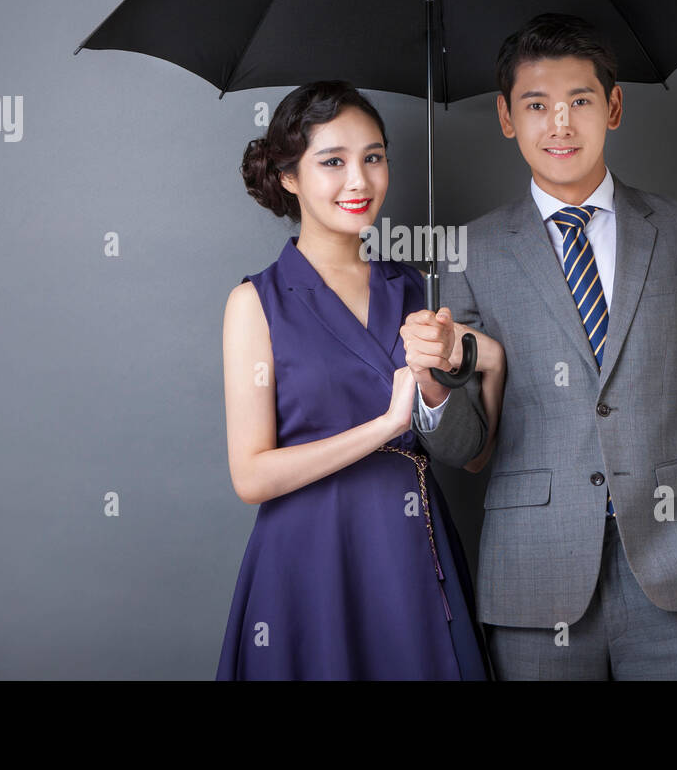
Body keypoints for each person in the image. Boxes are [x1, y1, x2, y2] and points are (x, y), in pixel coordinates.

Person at [401, 13, 677, 679]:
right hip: (533, 585)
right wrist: (433, 381)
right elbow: (461, 447)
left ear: (615, 106)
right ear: (507, 117)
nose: (560, 124)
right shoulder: (471, 251)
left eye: (579, 101)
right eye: (536, 105)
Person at [216, 80, 505, 679]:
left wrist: (452, 370)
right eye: (333, 162)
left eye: (374, 157)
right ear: (289, 177)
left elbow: (473, 455)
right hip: (306, 561)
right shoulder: (256, 302)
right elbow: (251, 475)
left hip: (410, 551)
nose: (360, 181)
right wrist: (384, 427)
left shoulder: (421, 292)